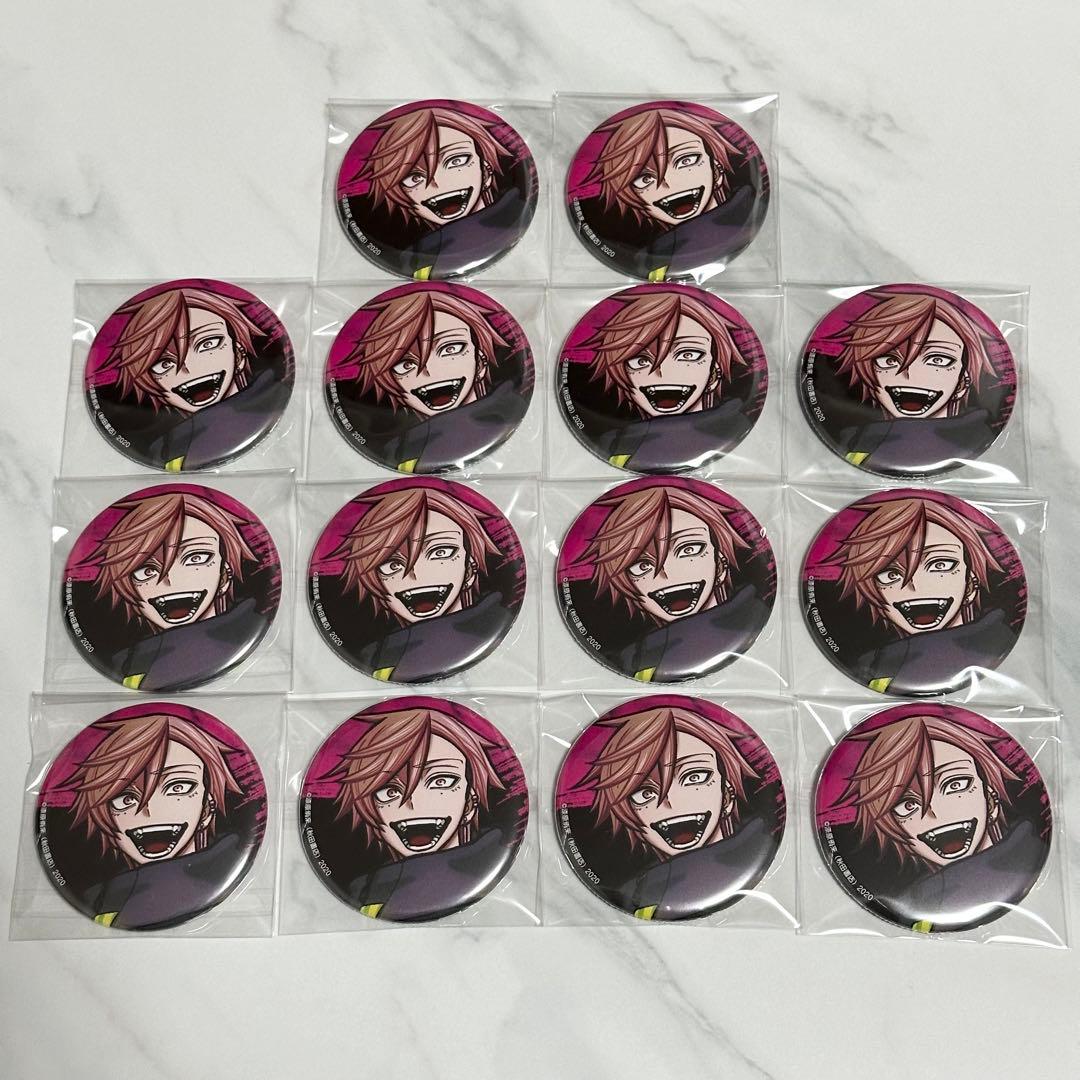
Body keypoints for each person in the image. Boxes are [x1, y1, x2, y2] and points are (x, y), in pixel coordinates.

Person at [832, 713, 1045, 930]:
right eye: (907, 804)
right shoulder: (918, 898)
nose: (935, 813)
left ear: (990, 799)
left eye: (955, 784)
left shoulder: (1024, 860)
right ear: (892, 827)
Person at [578, 704, 775, 920]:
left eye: (695, 777)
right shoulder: (641, 890)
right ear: (627, 814)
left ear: (727, 795)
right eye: (645, 792)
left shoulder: (756, 845)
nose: (671, 803)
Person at [58, 710, 245, 930]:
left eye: (178, 787)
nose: (149, 811)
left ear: (206, 807)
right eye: (126, 798)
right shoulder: (105, 898)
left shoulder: (225, 866)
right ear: (104, 816)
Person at [324, 707, 508, 920]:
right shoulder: (367, 890)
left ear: (469, 802)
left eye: (441, 781)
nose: (413, 804)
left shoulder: (487, 868)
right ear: (369, 810)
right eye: (390, 790)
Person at [822, 495, 1016, 694]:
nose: (915, 586)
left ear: (970, 584)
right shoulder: (877, 663)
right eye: (891, 574)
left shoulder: (993, 643)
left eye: (940, 564)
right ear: (873, 592)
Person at [577, 484, 768, 681]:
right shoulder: (637, 656)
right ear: (627, 585)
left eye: (689, 549)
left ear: (719, 564)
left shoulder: (749, 618)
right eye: (642, 565)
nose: (667, 575)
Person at [327, 486, 510, 681]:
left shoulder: (491, 627)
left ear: (470, 570)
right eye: (393, 563)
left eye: (441, 552)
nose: (416, 575)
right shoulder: (378, 655)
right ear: (374, 581)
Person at [88, 491, 266, 690]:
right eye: (147, 570)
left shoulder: (244, 633)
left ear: (224, 575)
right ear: (128, 589)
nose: (171, 581)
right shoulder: (131, 662)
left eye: (196, 558)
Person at [336, 288, 527, 471]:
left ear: (480, 362)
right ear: (390, 382)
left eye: (451, 348)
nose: (429, 372)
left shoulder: (506, 413)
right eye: (405, 364)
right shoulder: (400, 449)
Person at [100, 287, 288, 470]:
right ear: (150, 382)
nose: (188, 369)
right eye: (164, 363)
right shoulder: (165, 448)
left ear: (238, 354)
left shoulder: (269, 401)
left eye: (208, 343)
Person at [824, 290, 1001, 471]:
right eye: (889, 360)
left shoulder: (977, 436)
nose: (909, 375)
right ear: (868, 374)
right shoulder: (857, 441)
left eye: (938, 359)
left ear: (963, 381)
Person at [578, 288, 754, 470]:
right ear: (622, 375)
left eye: (688, 354)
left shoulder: (734, 429)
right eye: (641, 360)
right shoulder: (615, 442)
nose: (662, 372)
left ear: (714, 374)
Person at [581, 106, 766, 279]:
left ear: (716, 171)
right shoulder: (654, 257)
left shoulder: (744, 218)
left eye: (687, 160)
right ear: (633, 197)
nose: (668, 185)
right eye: (645, 178)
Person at [348, 105, 527, 279]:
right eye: (414, 177)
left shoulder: (513, 217)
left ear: (486, 172)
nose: (438, 184)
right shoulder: (416, 257)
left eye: (457, 160)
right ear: (402, 197)